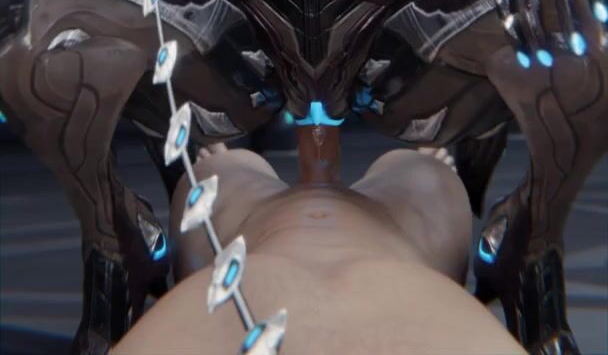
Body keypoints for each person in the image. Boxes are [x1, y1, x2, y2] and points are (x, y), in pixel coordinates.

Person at [113, 131, 525, 355]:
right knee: (419, 176)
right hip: (396, 268)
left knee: (225, 175)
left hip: (255, 262)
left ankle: (228, 177)